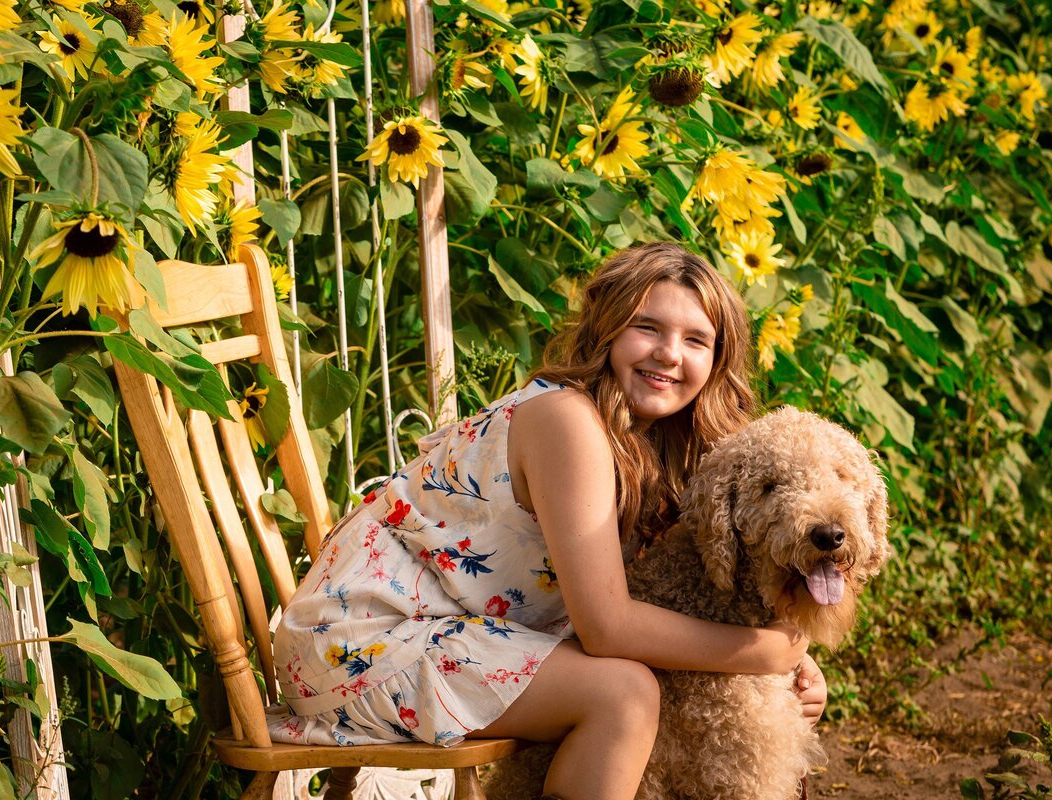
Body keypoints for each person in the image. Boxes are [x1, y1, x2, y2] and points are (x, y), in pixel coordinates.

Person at [271, 242, 827, 800]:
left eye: (696, 340)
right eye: (647, 328)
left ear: (718, 358)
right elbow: (607, 627)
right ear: (607, 328)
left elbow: (673, 592)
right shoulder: (568, 421)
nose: (669, 354)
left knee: (636, 683)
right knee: (622, 693)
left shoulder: (658, 442)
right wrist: (768, 653)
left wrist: (790, 662)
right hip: (361, 643)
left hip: (445, 633)